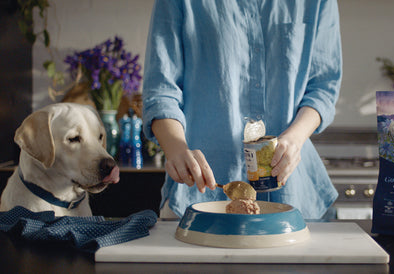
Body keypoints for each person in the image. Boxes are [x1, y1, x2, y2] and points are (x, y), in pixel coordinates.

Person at [142, 0, 342, 219]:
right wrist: (176, 149)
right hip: (198, 197)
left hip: (295, 195)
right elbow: (161, 90)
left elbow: (323, 88)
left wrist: (294, 139)